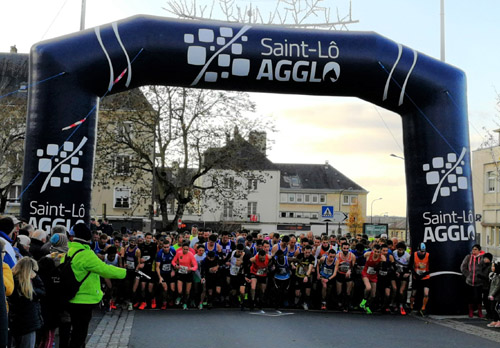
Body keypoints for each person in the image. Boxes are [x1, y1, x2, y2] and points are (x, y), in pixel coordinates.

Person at [64, 223, 127, 348]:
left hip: (71, 296)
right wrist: (126, 273)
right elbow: (104, 269)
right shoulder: (86, 254)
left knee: (75, 331)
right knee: (80, 334)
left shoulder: (70, 251)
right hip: (84, 299)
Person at [8, 257, 45, 348]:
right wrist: (36, 278)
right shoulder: (28, 288)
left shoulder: (12, 281)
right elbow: (42, 292)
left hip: (13, 323)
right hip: (29, 324)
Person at [360, 244, 385, 314]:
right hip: (365, 273)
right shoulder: (368, 254)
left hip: (374, 275)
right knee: (368, 288)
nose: (376, 253)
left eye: (378, 252)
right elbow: (360, 259)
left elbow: (384, 266)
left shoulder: (382, 257)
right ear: (372, 251)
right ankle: (363, 301)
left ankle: (367, 305)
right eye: (375, 251)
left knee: (373, 295)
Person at [172, 242, 198, 310]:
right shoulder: (179, 253)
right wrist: (176, 266)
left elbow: (195, 266)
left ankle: (185, 303)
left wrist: (191, 269)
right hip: (180, 273)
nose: (185, 251)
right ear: (182, 248)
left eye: (187, 249)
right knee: (180, 290)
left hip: (188, 274)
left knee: (187, 291)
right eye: (184, 249)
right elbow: (173, 261)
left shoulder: (191, 254)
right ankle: (179, 297)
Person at [460, 244, 484, 318]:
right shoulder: (468, 257)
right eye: (473, 249)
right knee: (470, 297)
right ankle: (471, 311)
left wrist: (481, 276)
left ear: (479, 250)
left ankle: (479, 311)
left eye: (475, 249)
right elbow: (463, 267)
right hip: (470, 281)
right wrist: (468, 275)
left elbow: (486, 267)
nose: (474, 251)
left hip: (479, 281)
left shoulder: (482, 258)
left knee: (479, 297)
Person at [334, 242, 355, 312]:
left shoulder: (352, 256)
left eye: (347, 248)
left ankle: (347, 304)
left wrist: (349, 270)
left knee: (348, 291)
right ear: (341, 248)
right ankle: (339, 304)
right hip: (340, 274)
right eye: (344, 248)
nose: (346, 250)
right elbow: (335, 267)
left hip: (348, 275)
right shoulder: (337, 255)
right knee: (338, 292)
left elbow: (353, 266)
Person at [410, 243, 430, 316]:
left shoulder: (428, 255)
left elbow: (431, 267)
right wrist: (415, 273)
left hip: (425, 277)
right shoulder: (414, 255)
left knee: (426, 293)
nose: (422, 253)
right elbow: (410, 265)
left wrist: (424, 274)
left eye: (423, 251)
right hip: (416, 277)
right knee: (413, 293)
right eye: (421, 251)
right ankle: (411, 306)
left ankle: (423, 308)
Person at [156, 239, 176, 310]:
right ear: (162, 247)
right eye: (165, 247)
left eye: (167, 247)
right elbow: (157, 267)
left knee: (172, 289)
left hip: (171, 272)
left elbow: (176, 260)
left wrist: (173, 270)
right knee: (165, 288)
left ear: (169, 246)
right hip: (163, 273)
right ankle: (164, 302)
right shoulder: (159, 254)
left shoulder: (173, 251)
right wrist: (160, 277)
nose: (166, 249)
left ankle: (170, 299)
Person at [487, 262, 500, 328]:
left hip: (497, 296)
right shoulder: (493, 275)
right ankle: (495, 320)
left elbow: (497, 286)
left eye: (493, 266)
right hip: (492, 294)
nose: (492, 268)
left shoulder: (498, 276)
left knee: (496, 308)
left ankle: (498, 320)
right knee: (492, 307)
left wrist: (492, 294)